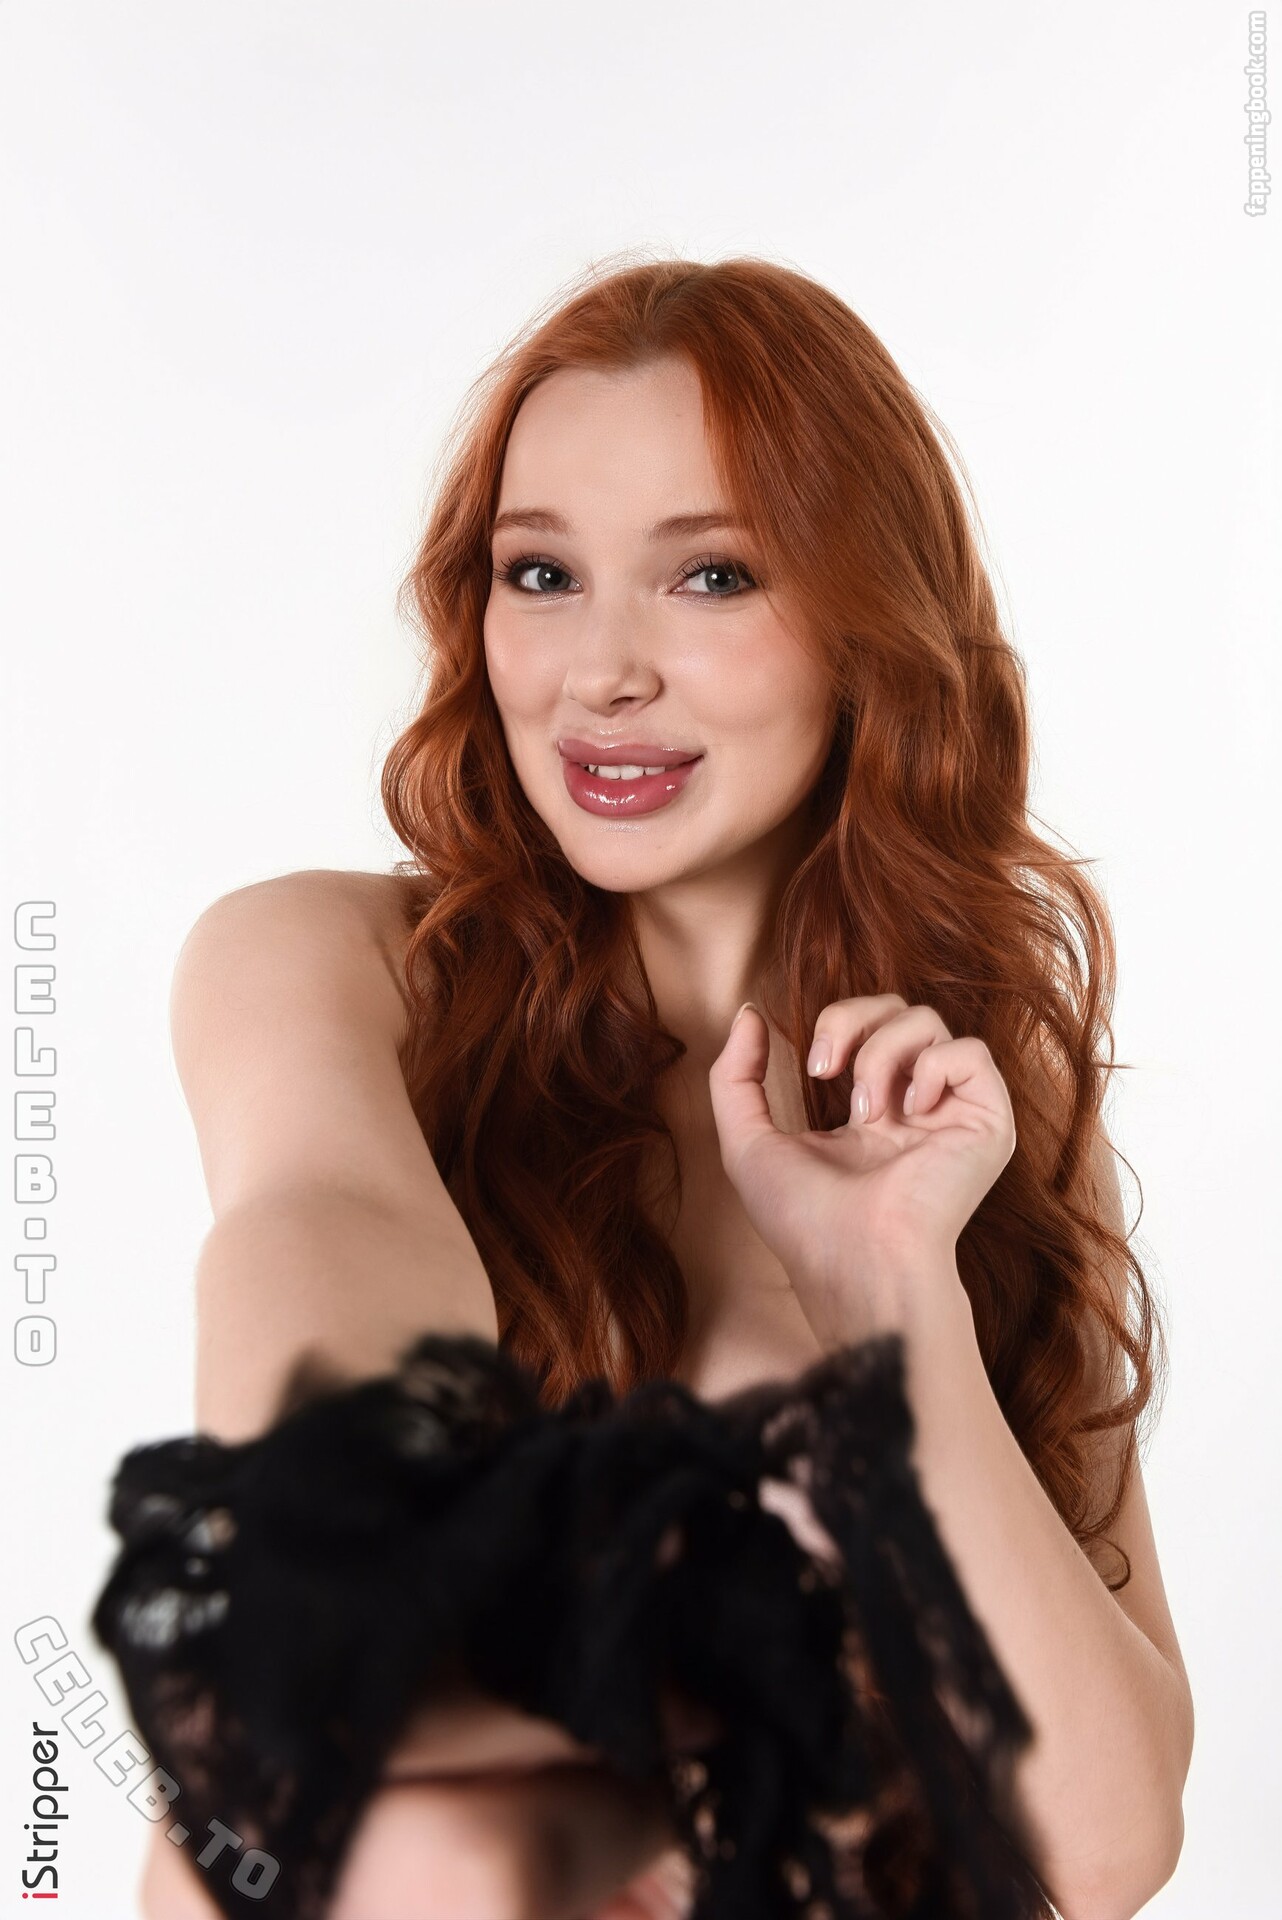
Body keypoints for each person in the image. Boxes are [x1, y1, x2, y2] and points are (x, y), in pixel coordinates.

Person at [134, 255, 1194, 1920]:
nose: (600, 670)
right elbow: (326, 1323)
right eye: (539, 574)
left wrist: (892, 1302)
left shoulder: (966, 1089)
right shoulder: (330, 969)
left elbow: (1100, 1843)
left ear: (864, 621)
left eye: (709, 575)